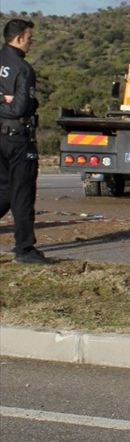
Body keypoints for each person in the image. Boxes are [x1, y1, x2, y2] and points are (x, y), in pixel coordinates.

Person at [0, 18, 46, 264]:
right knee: (22, 194)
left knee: (5, 191)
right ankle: (25, 248)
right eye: (29, 38)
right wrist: (11, 102)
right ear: (18, 39)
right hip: (18, 138)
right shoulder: (23, 68)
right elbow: (20, 108)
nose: (31, 42)